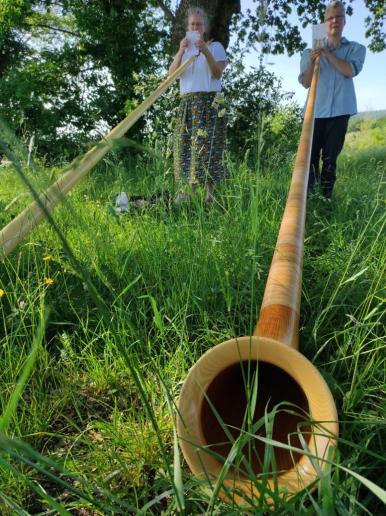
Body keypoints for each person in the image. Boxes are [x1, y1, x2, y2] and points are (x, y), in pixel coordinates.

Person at [299, 1, 366, 198]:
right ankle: (309, 201)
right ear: (325, 22)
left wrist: (327, 54)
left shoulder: (356, 48)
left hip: (340, 112)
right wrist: (313, 60)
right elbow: (305, 82)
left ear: (344, 21)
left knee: (330, 160)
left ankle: (326, 199)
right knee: (310, 160)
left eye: (338, 17)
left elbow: (349, 71)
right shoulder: (308, 52)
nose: (334, 20)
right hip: (314, 113)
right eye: (330, 17)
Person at [169, 7, 227, 204]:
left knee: (208, 148)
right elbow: (171, 77)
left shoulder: (215, 47)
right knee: (187, 147)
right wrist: (180, 51)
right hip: (188, 104)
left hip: (208, 103)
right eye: (192, 24)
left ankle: (210, 198)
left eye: (198, 24)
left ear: (204, 29)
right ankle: (189, 196)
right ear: (188, 27)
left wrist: (205, 51)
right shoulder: (184, 52)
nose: (195, 27)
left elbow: (217, 73)